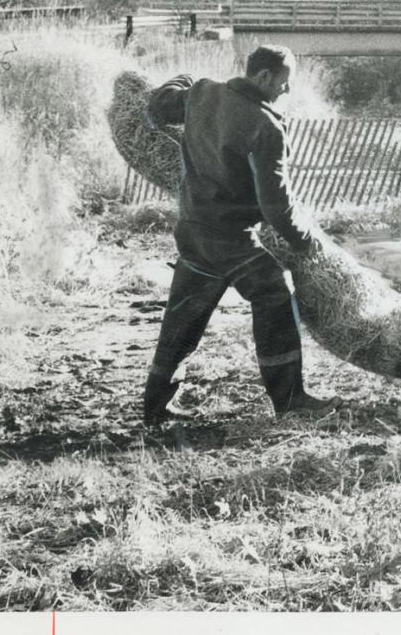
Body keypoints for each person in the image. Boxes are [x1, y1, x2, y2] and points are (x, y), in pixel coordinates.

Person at [140, 44, 340, 426]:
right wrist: (306, 243)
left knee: (184, 315)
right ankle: (290, 398)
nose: (286, 91)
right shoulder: (265, 127)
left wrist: (183, 79)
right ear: (264, 77)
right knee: (275, 292)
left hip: (193, 230)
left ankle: (155, 405)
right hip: (229, 238)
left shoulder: (202, 93)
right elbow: (276, 205)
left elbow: (157, 108)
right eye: (285, 83)